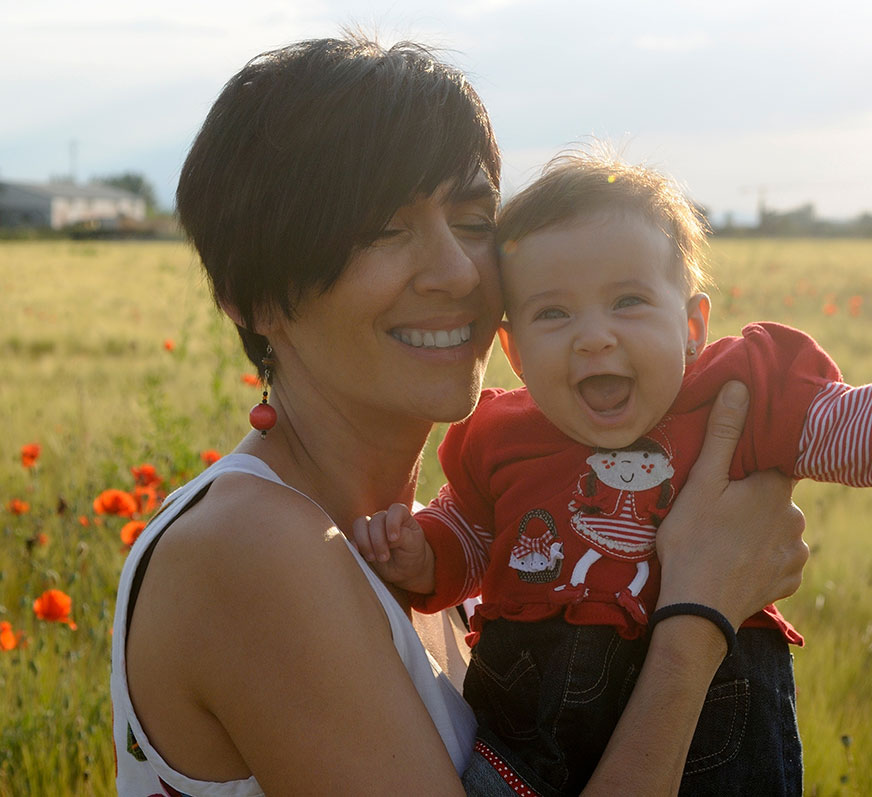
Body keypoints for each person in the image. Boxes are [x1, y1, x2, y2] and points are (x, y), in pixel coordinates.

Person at [111, 37, 808, 796]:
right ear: (254, 299)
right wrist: (700, 613)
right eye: (383, 229)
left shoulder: (444, 544)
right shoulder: (249, 547)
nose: (458, 273)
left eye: (473, 219)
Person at [352, 151, 871, 794]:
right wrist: (422, 555)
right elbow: (469, 536)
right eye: (553, 313)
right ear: (513, 350)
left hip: (719, 732)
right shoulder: (500, 437)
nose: (593, 337)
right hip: (527, 746)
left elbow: (845, 428)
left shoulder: (734, 395)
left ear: (691, 327)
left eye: (627, 301)